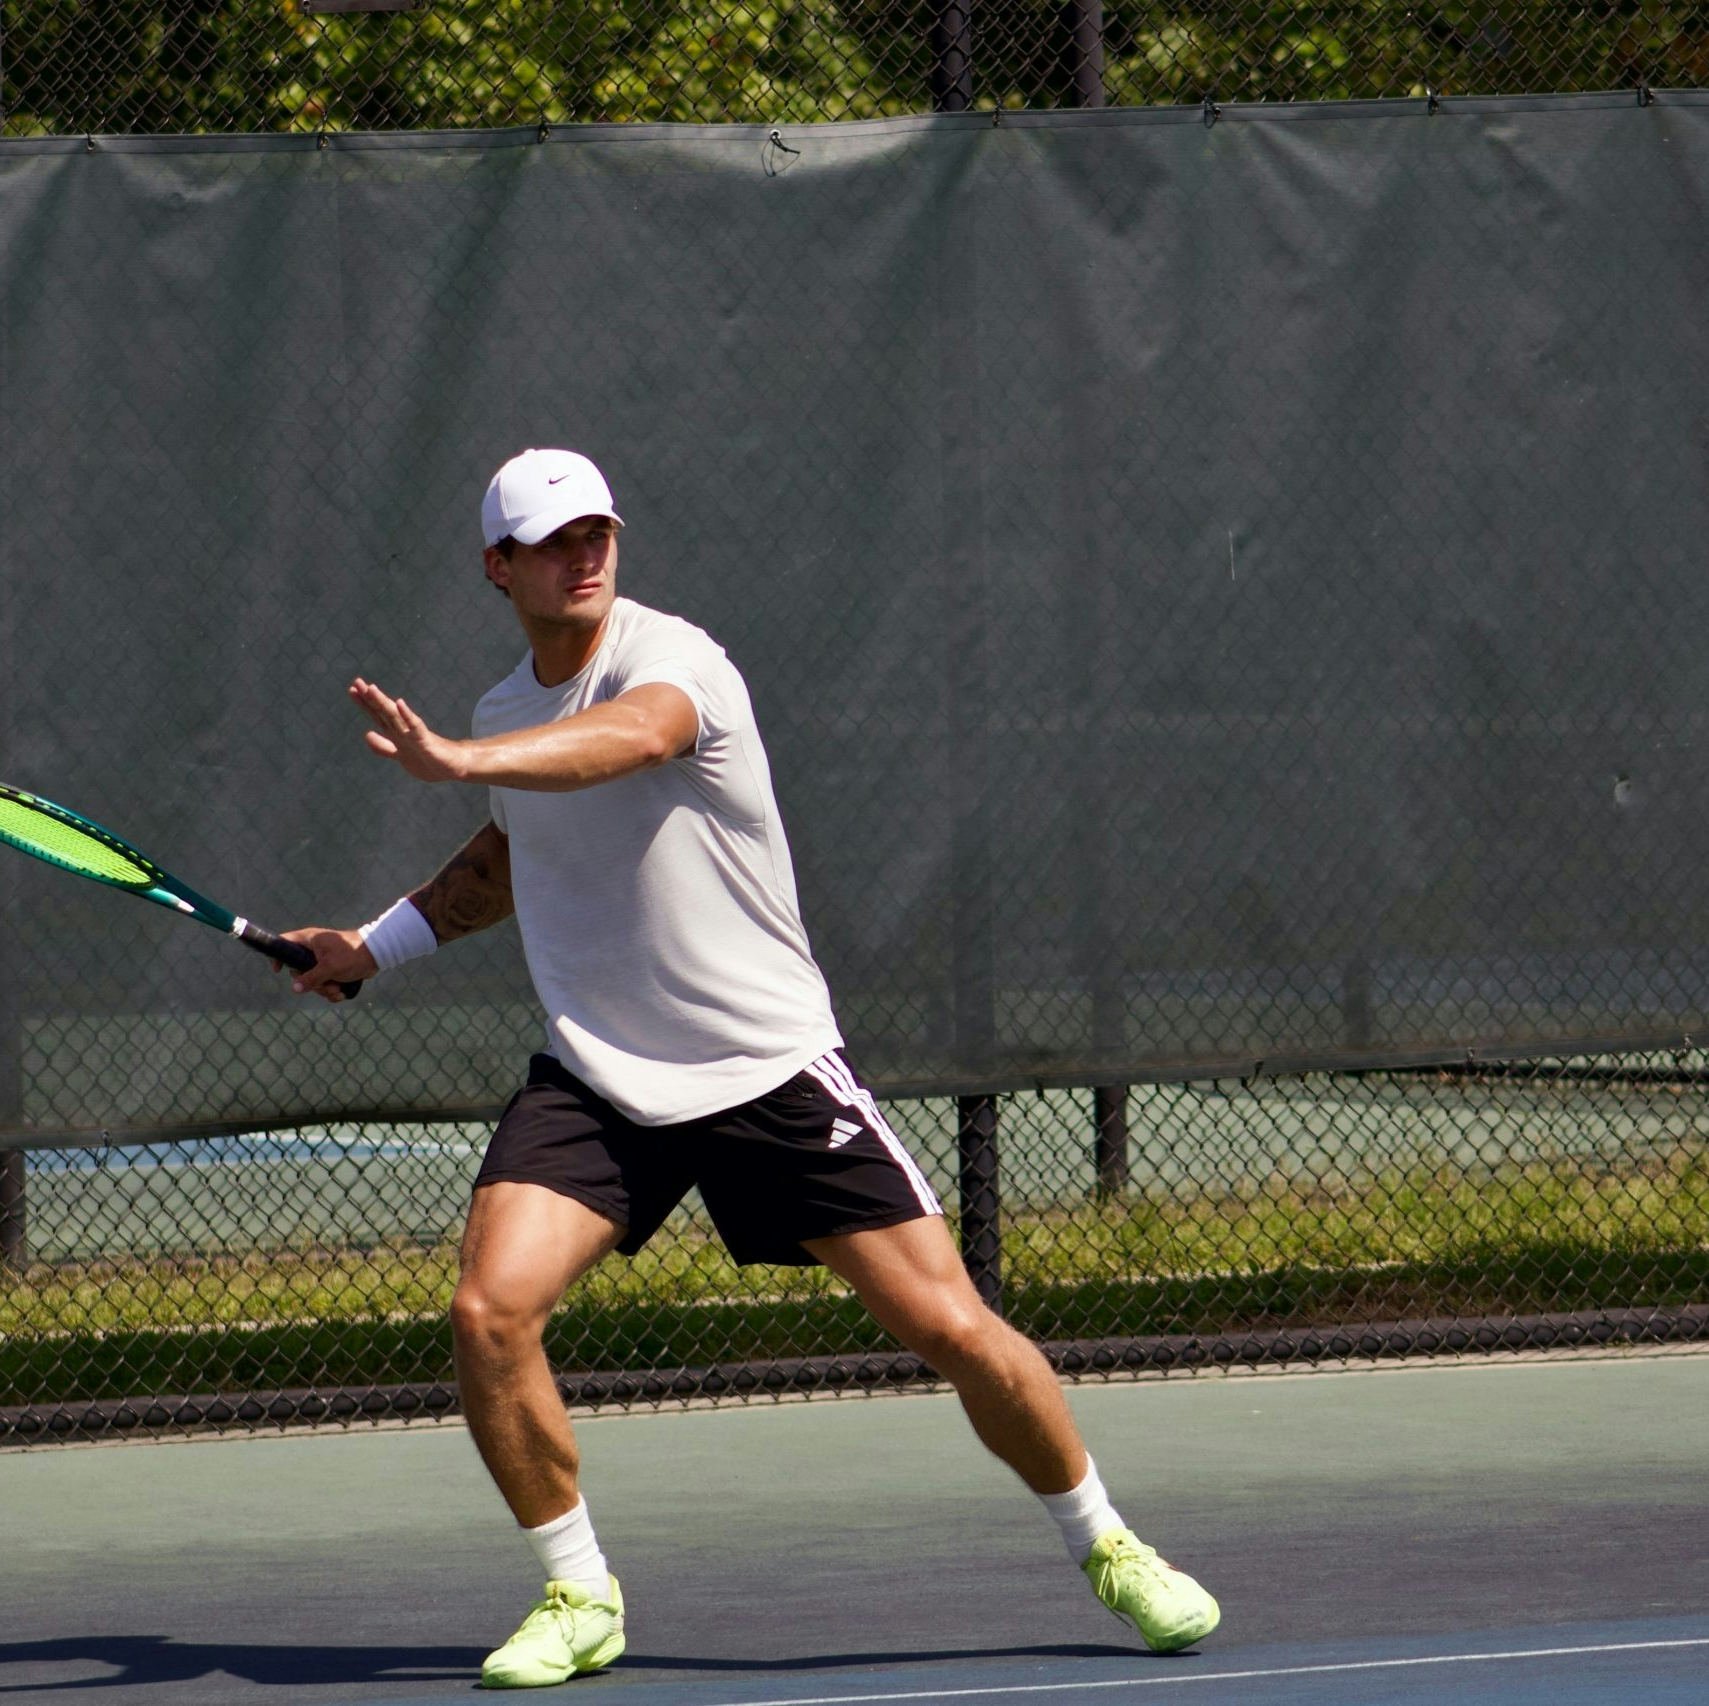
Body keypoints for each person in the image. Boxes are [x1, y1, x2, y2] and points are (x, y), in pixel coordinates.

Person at [283, 448, 1220, 1689]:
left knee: (950, 1326)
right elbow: (510, 852)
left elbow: (629, 740)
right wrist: (376, 946)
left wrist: (458, 759)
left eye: (599, 530)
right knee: (487, 1309)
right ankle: (577, 1588)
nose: (587, 553)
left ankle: (1109, 1544)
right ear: (498, 566)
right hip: (601, 1080)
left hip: (766, 1067)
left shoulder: (674, 660)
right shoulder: (507, 715)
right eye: (556, 539)